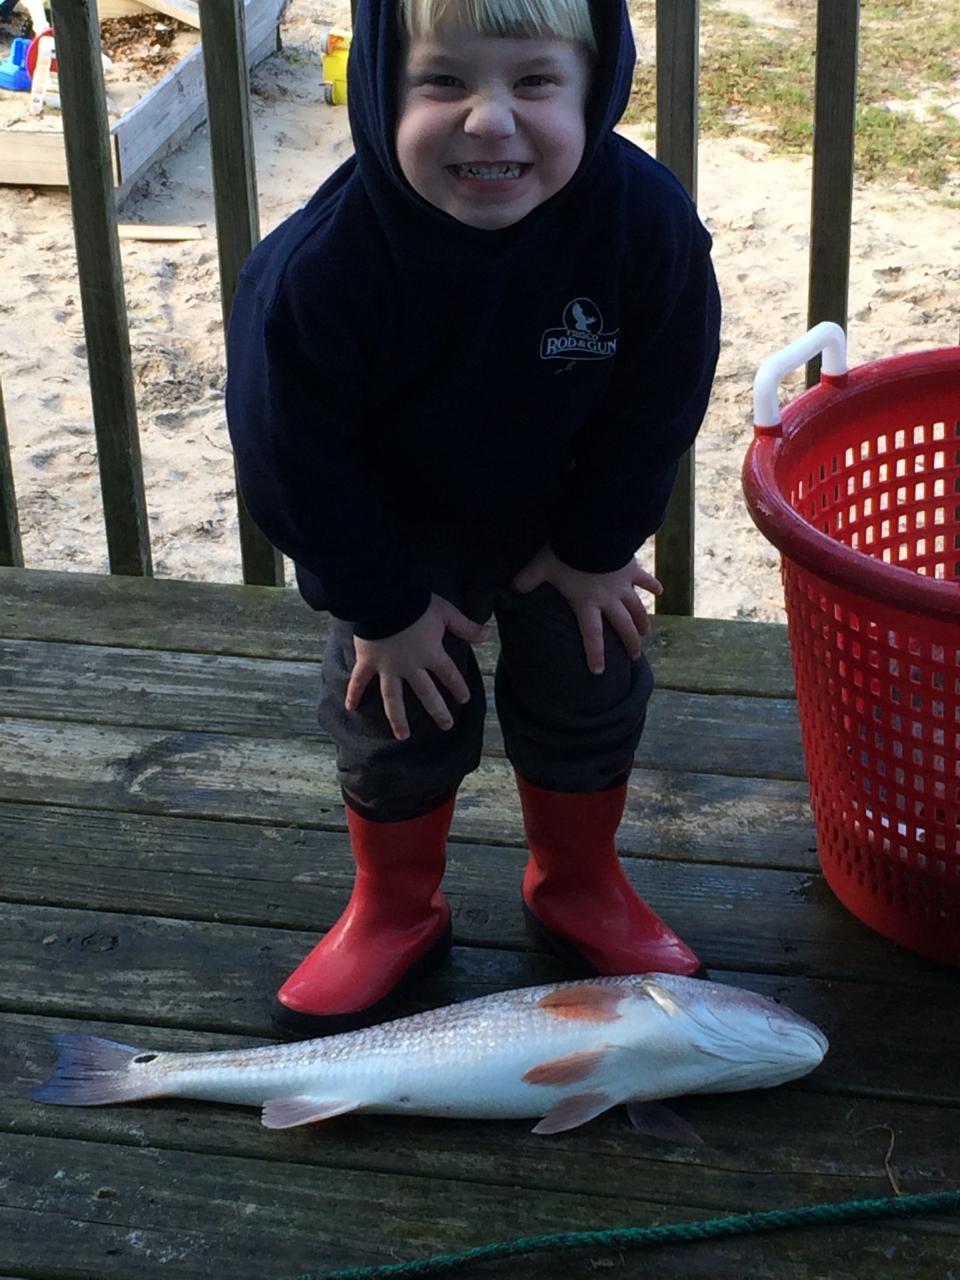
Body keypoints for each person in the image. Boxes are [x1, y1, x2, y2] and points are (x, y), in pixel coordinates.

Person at [226, 0, 722, 1039]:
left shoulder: (643, 220)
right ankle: (396, 908)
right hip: (396, 546)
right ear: (377, 90)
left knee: (592, 684)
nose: (490, 122)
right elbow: (289, 456)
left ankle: (577, 884)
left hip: (567, 531)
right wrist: (381, 603)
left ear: (596, 88)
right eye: (443, 81)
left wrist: (596, 544)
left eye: (535, 82)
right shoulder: (324, 264)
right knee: (393, 719)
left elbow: (663, 393)